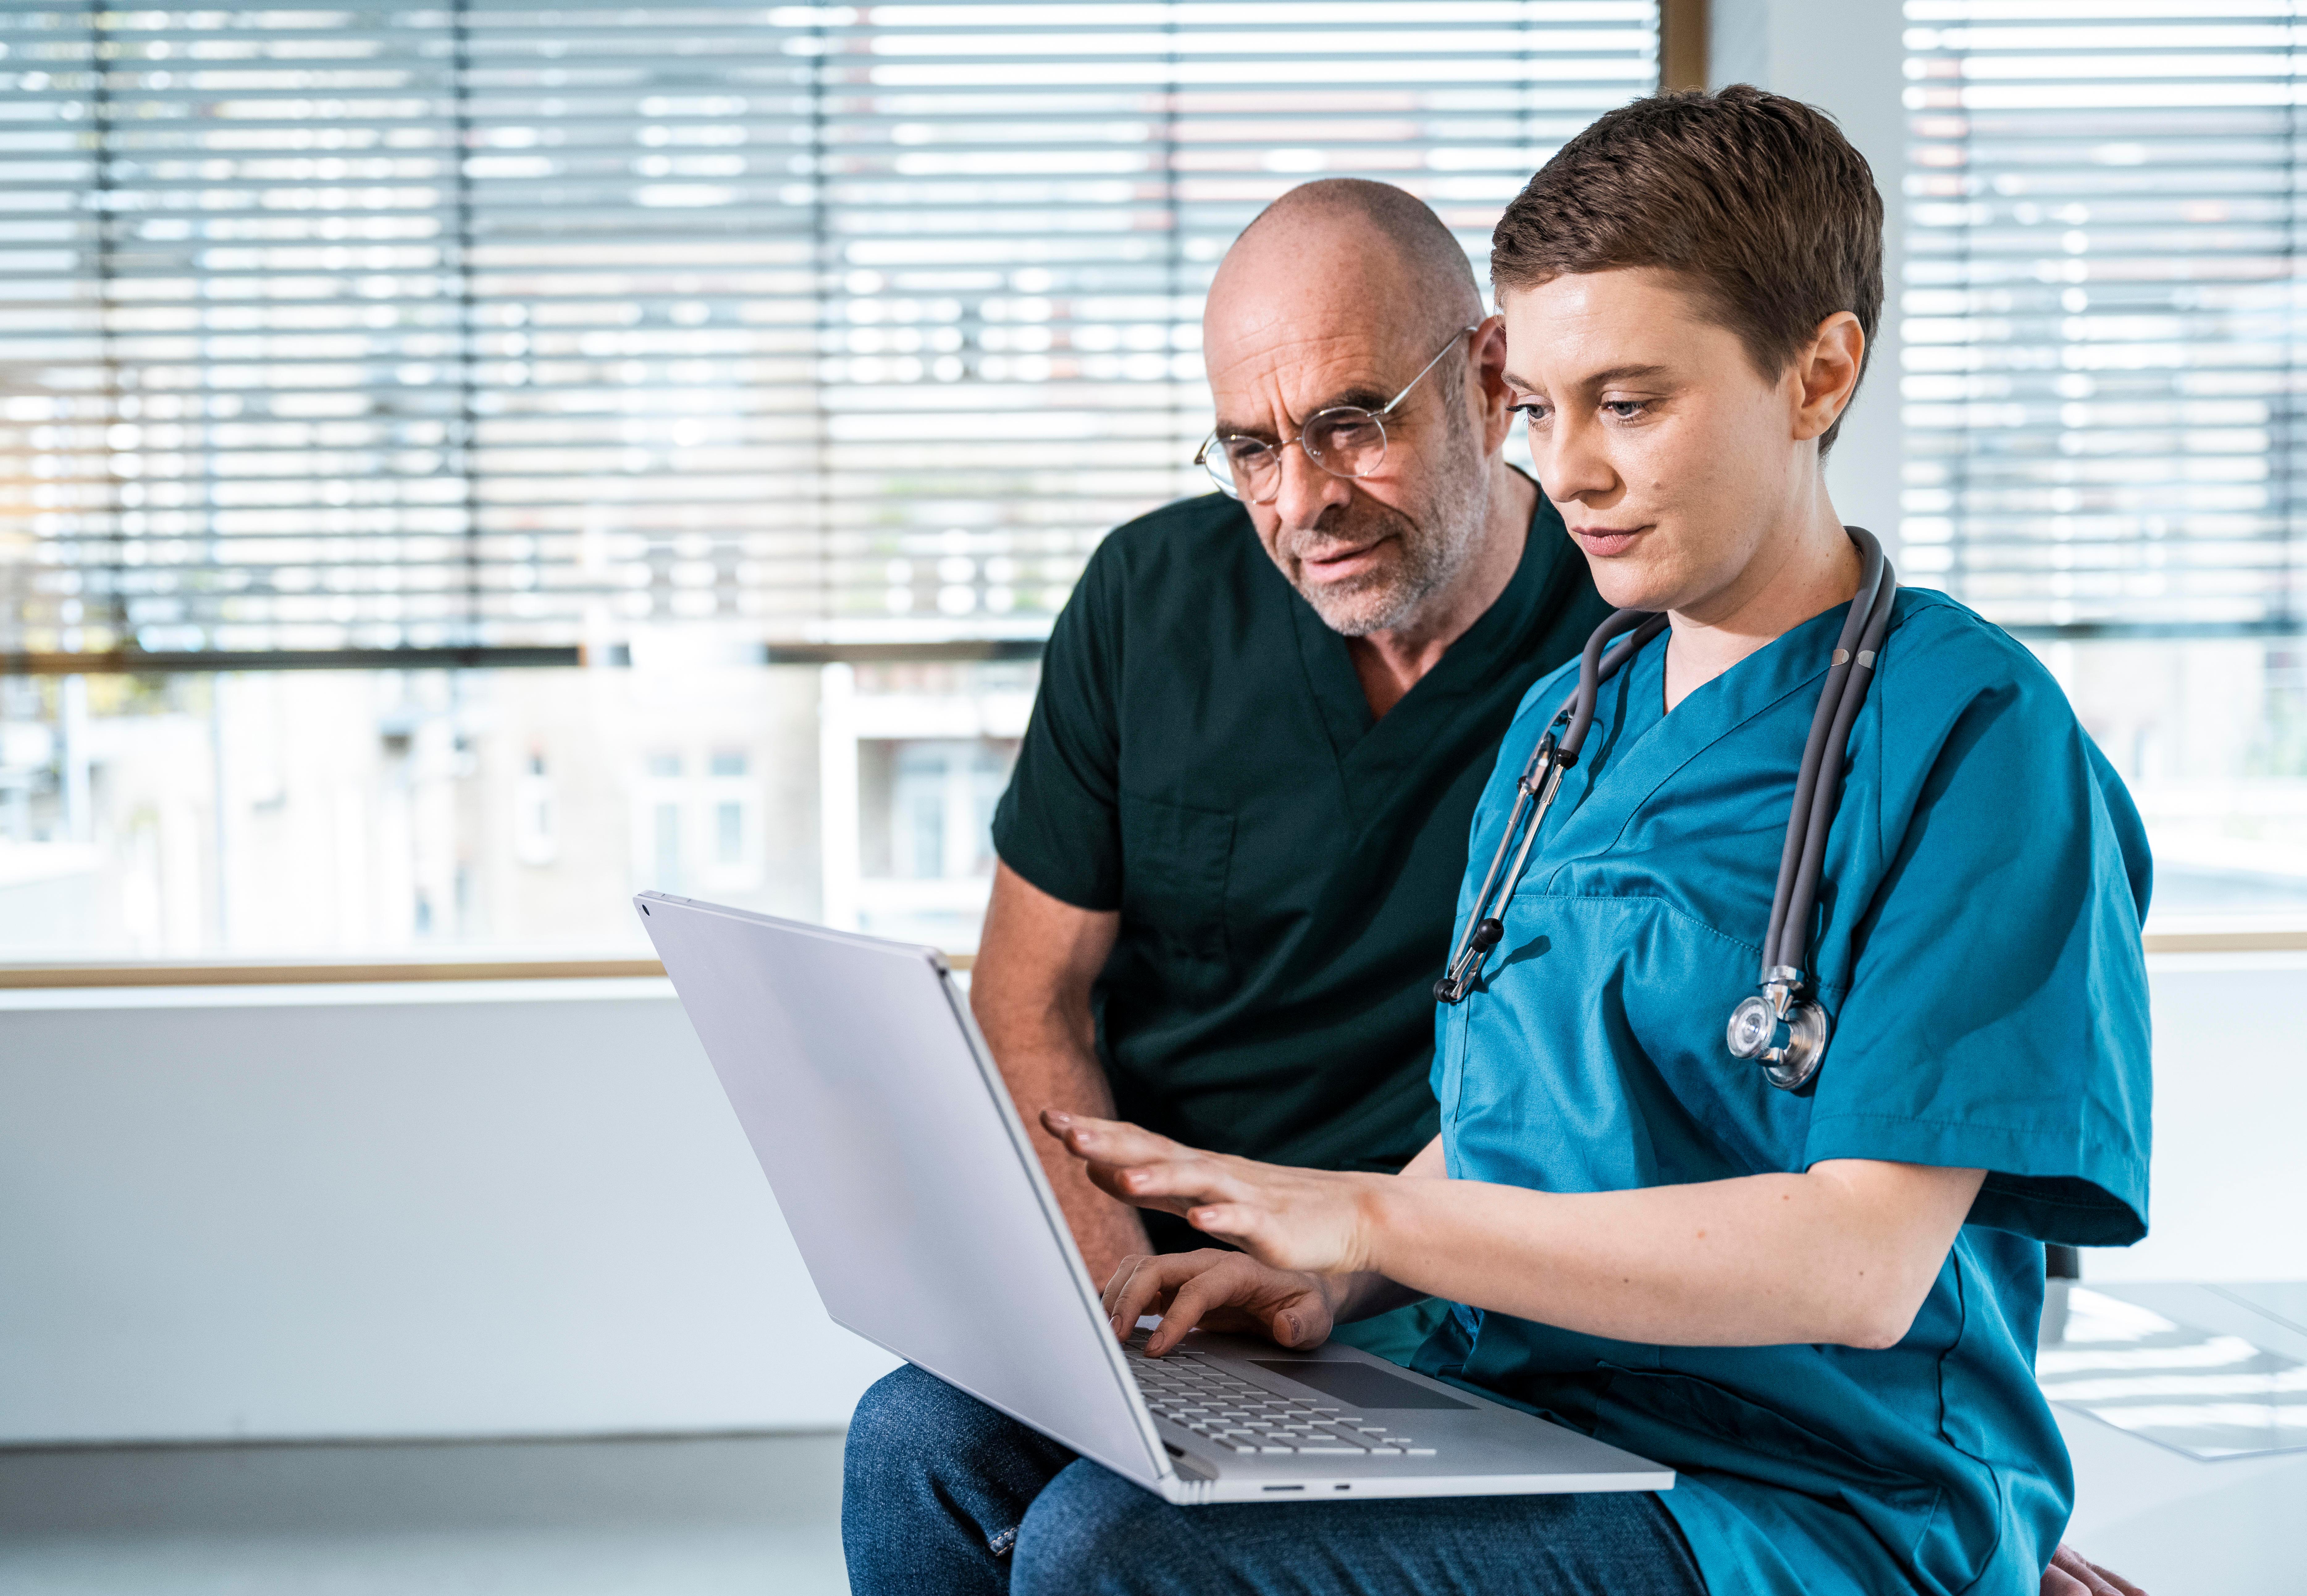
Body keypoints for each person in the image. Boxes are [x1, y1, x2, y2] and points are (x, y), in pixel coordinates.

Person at [845, 88, 2155, 1596]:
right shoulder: (1567, 718)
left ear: (1817, 374)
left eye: (1632, 401)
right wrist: (1322, 1268)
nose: (1568, 467)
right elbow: (1521, 1109)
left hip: (1794, 1484)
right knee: (923, 1440)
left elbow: (1857, 1267)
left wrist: (1365, 1209)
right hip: (1525, 1402)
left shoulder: (1974, 741)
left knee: (1107, 1551)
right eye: (1539, 408)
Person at [970, 178, 1612, 1366]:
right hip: (1153, 1271)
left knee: (1091, 1539)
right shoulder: (1149, 599)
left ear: (1488, 383)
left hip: (1459, 1302)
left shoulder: (1629, 642)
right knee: (910, 1444)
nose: (1303, 502)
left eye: (1353, 425)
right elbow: (1028, 995)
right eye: (1254, 450)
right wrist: (1133, 1306)